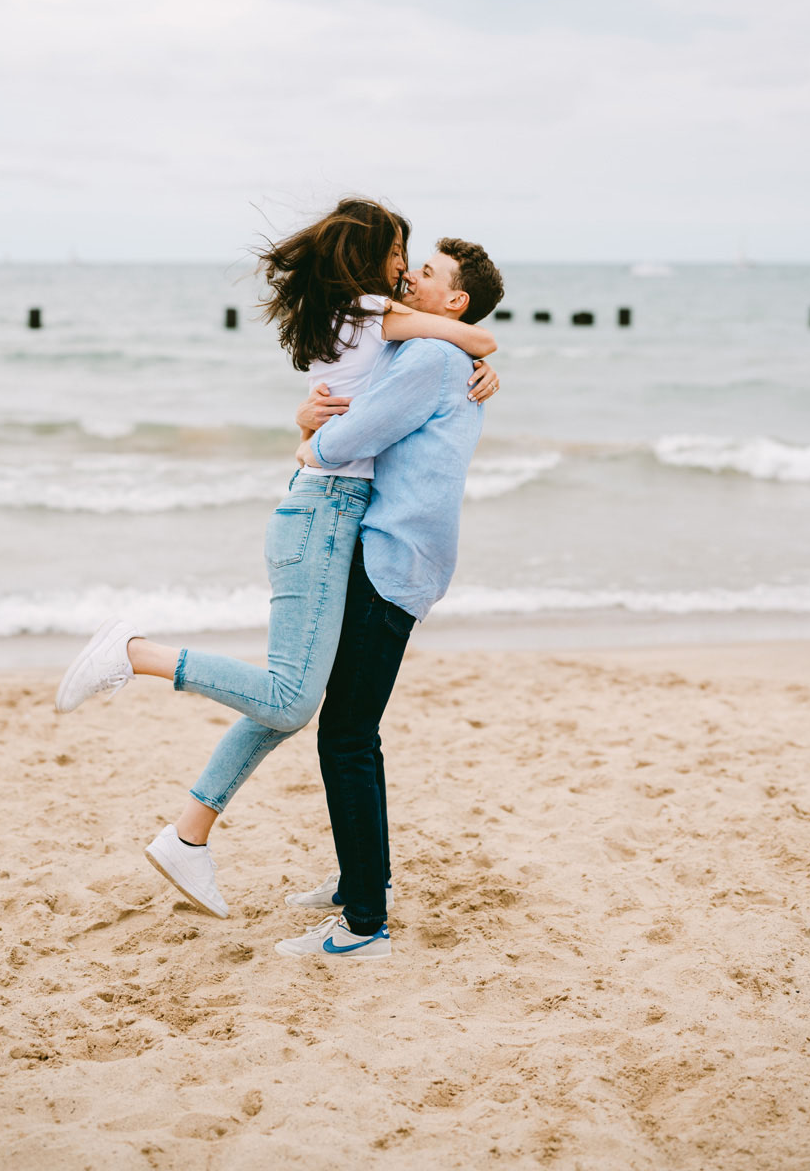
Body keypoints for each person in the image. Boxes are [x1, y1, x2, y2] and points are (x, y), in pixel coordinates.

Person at [54, 200, 498, 920]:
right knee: (294, 699)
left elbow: (418, 376)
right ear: (371, 258)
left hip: (328, 514)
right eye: (401, 256)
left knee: (295, 703)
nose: (405, 272)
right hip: (325, 514)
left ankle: (194, 836)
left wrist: (463, 366)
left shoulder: (364, 323)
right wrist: (314, 436)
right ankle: (136, 652)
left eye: (421, 267)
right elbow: (465, 345)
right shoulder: (383, 322)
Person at [273, 238, 506, 959]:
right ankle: (361, 883)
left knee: (343, 734)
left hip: (393, 556)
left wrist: (310, 442)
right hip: (393, 550)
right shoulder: (429, 353)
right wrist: (314, 419)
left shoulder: (434, 358)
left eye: (428, 273)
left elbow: (347, 441)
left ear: (455, 300)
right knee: (354, 732)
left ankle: (365, 924)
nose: (410, 274)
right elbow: (350, 413)